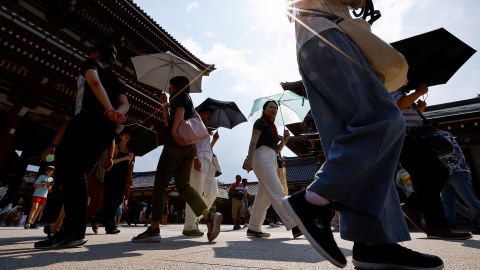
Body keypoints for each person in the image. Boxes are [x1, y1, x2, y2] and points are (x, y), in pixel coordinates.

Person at [283, 1, 444, 269]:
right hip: (328, 33)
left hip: (313, 37)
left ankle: (373, 242)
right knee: (382, 119)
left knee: (356, 138)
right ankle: (313, 200)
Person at [34, 42, 129, 249]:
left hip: (85, 123)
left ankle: (72, 231)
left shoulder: (90, 63)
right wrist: (117, 112)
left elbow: (94, 82)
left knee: (71, 175)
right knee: (79, 175)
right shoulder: (115, 79)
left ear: (95, 54)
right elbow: (126, 102)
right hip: (104, 132)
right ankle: (70, 229)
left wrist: (108, 108)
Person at [132, 76, 222, 243]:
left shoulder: (179, 97)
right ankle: (208, 216)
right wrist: (165, 106)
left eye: (170, 85)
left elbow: (178, 115)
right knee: (183, 186)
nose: (169, 88)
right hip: (189, 147)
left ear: (177, 85)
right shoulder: (188, 100)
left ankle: (154, 228)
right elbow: (171, 120)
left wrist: (173, 133)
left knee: (160, 184)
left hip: (176, 144)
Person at [392, 84, 472, 240]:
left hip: (415, 139)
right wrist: (418, 92)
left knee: (437, 174)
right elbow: (398, 105)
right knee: (428, 177)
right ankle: (437, 225)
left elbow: (405, 112)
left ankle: (414, 206)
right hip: (409, 141)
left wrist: (420, 109)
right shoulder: (389, 87)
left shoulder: (401, 92)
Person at [243, 100, 301, 239]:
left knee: (264, 197)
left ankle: (253, 227)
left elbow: (276, 150)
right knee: (277, 190)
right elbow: (253, 141)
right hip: (261, 156)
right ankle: (295, 225)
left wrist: (285, 140)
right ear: (264, 110)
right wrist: (249, 159)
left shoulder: (272, 127)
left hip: (271, 158)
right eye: (270, 107)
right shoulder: (260, 122)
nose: (273, 109)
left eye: (275, 107)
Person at [182, 107, 220, 237]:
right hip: (197, 159)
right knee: (196, 191)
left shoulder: (206, 129)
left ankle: (198, 217)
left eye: (209, 116)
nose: (207, 117)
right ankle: (189, 226)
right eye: (206, 114)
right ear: (200, 112)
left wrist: (214, 140)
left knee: (213, 191)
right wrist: (196, 158)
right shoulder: (194, 122)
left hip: (209, 161)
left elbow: (206, 147)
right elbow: (191, 142)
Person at [92, 129, 134, 234]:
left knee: (118, 200)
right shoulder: (115, 146)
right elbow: (109, 162)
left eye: (128, 135)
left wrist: (131, 159)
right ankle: (110, 226)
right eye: (125, 134)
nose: (127, 136)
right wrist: (124, 158)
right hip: (111, 175)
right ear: (120, 136)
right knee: (110, 200)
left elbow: (129, 166)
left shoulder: (130, 149)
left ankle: (98, 218)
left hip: (122, 177)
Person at [438, 130, 480, 234]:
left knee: (469, 199)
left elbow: (443, 152)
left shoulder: (441, 135)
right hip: (446, 172)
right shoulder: (444, 134)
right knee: (447, 200)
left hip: (456, 171)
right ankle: (449, 226)